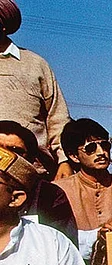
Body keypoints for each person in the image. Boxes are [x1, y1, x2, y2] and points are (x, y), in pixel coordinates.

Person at [0, 0, 73, 180]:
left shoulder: (35, 64)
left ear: (3, 25)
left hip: (33, 171)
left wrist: (64, 160)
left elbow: (58, 116)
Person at [0, 120, 77, 244]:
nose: (3, 155)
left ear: (31, 160)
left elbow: (63, 244)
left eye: (15, 150)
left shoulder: (50, 195)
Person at [56, 119, 112, 261]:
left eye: (105, 145)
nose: (101, 152)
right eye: (91, 148)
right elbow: (55, 239)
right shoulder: (58, 191)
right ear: (74, 156)